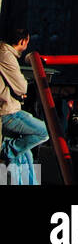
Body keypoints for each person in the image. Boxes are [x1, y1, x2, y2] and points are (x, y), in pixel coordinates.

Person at [0, 26, 49, 184]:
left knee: (25, 153)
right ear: (23, 41)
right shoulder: (5, 54)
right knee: (45, 131)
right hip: (8, 112)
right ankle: (7, 149)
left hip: (9, 109)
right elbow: (22, 87)